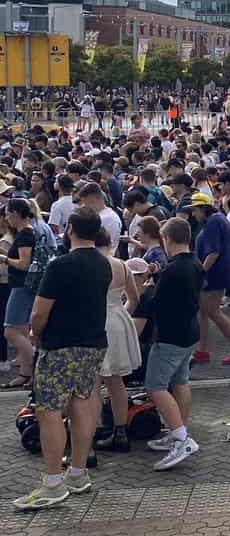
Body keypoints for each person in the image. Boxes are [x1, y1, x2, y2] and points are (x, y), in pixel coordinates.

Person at [11, 208, 112, 509]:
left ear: (70, 229)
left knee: (49, 410)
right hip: (93, 343)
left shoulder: (60, 265)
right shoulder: (103, 264)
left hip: (60, 345)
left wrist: (34, 334)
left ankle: (52, 482)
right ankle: (77, 473)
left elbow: (40, 312)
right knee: (83, 403)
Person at [142, 218, 204, 470]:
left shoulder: (172, 269)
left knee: (155, 386)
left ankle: (180, 437)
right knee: (180, 382)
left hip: (170, 336)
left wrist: (146, 288)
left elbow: (155, 303)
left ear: (167, 239)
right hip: (189, 333)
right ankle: (179, 430)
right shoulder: (195, 264)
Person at [93, 228, 144, 453]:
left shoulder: (90, 266)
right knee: (116, 382)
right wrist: (120, 311)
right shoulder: (122, 265)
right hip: (117, 319)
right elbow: (134, 299)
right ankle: (120, 432)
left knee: (92, 385)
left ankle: (92, 435)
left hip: (95, 322)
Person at [188, 192, 230, 365]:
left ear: (203, 208)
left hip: (214, 275)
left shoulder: (213, 222)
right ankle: (202, 351)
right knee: (204, 312)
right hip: (215, 273)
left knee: (213, 312)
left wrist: (200, 272)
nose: (193, 214)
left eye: (195, 210)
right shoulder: (216, 219)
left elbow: (213, 252)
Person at [1, 199, 38, 390]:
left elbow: (24, 264)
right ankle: (26, 372)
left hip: (22, 286)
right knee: (21, 330)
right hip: (23, 286)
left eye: (7, 213)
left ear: (15, 212)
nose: (6, 217)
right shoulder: (29, 232)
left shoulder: (25, 235)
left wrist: (4, 259)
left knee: (11, 330)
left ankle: (33, 369)